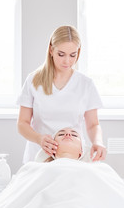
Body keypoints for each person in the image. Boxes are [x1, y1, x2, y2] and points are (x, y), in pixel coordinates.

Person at [17, 25, 106, 163]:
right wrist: (39, 139)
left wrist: (98, 142)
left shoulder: (85, 84)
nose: (67, 61)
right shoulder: (34, 81)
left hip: (74, 158)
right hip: (40, 156)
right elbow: (22, 123)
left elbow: (93, 124)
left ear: (79, 52)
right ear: (51, 50)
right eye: (61, 54)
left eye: (73, 55)